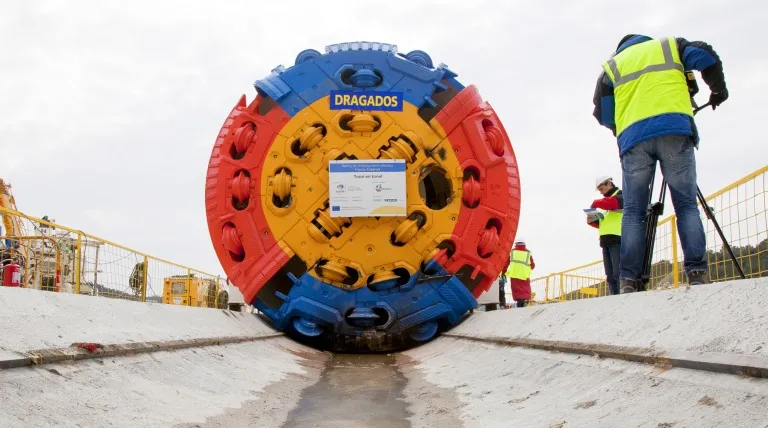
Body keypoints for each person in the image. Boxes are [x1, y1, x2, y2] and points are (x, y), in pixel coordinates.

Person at [592, 34, 728, 293]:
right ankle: (697, 273)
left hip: (634, 139)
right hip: (674, 128)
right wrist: (718, 89)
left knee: (633, 212)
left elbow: (603, 112)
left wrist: (619, 127)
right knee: (687, 205)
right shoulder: (669, 47)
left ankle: (629, 281)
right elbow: (706, 57)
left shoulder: (612, 66)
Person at [587, 175, 623, 295]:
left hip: (617, 238)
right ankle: (614, 297)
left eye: (602, 189)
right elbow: (604, 222)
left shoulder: (621, 195)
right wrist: (592, 221)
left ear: (609, 183)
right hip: (606, 240)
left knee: (618, 272)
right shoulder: (605, 204)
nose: (601, 193)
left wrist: (595, 203)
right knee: (610, 274)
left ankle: (622, 296)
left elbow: (613, 203)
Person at [505, 238, 535, 307]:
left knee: (517, 290)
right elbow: (532, 265)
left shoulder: (512, 252)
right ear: (524, 244)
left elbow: (506, 263)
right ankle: (524, 302)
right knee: (524, 289)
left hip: (514, 274)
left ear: (516, 244)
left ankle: (519, 302)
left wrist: (504, 272)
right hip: (524, 274)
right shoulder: (528, 253)